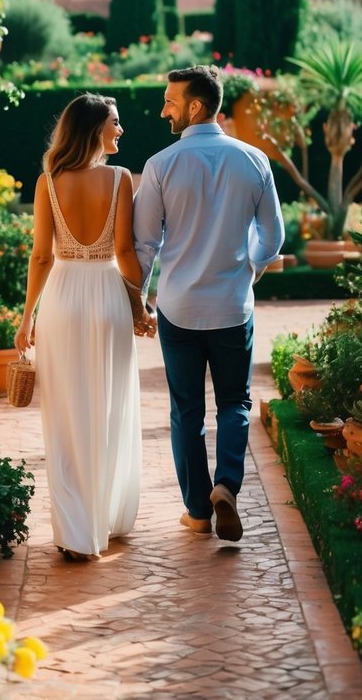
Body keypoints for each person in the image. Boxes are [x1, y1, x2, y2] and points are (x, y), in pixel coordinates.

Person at [133, 65, 284, 541]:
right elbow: (273, 237)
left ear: (195, 106)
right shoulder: (255, 161)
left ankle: (198, 510)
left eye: (170, 101)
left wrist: (138, 300)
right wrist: (251, 269)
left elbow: (144, 246)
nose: (163, 110)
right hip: (232, 307)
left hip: (178, 308)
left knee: (186, 412)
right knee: (235, 403)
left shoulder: (160, 165)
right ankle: (227, 486)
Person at [15, 93, 155, 561]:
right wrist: (140, 306)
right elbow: (125, 255)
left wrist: (26, 317)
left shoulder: (47, 182)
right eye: (115, 123)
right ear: (94, 128)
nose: (121, 130)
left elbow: (40, 256)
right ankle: (106, 517)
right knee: (108, 409)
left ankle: (76, 531)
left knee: (67, 414)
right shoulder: (120, 180)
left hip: (62, 298)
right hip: (108, 298)